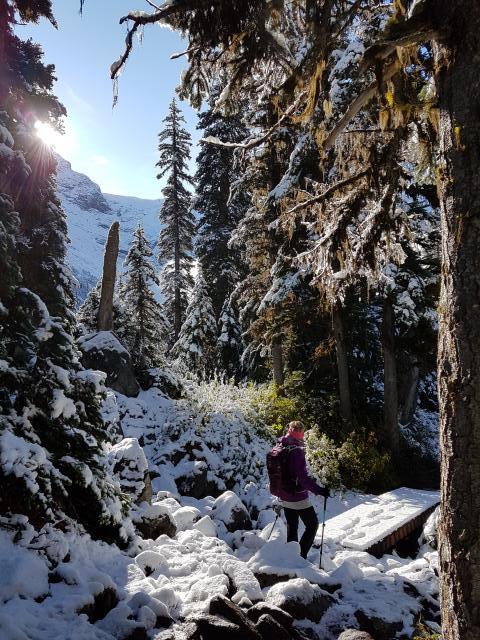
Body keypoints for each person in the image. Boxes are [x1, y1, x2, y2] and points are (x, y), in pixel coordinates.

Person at [276, 420, 329, 559]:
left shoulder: (280, 445)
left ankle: (290, 556)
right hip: (297, 496)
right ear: (301, 433)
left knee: (292, 526)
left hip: (283, 493)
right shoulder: (297, 451)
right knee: (312, 525)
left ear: (289, 430)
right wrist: (320, 490)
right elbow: (303, 479)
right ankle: (300, 556)